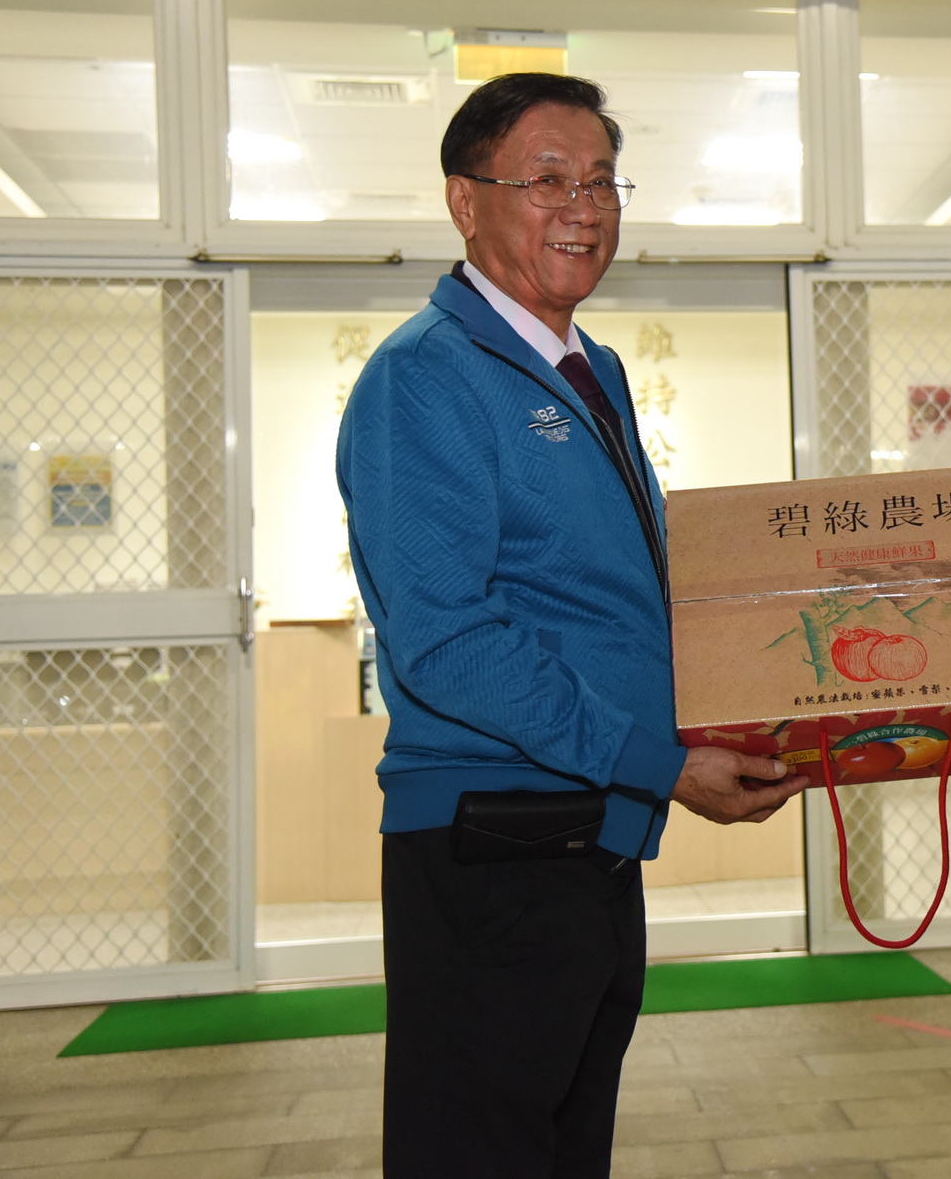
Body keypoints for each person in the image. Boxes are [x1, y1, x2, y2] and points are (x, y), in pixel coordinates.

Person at [337, 72, 806, 1179]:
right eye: (547, 179)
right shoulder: (425, 379)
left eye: (602, 181)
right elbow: (447, 643)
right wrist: (659, 760)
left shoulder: (584, 370)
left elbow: (614, 600)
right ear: (465, 200)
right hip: (497, 846)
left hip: (588, 836)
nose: (583, 207)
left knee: (561, 1147)